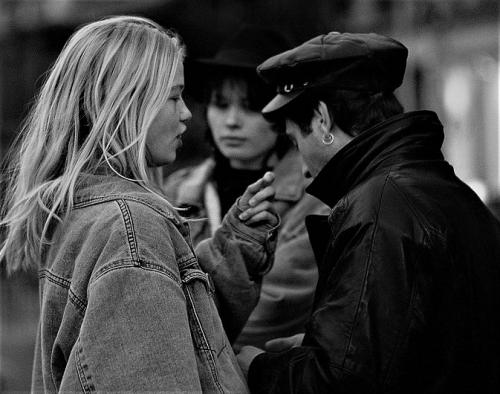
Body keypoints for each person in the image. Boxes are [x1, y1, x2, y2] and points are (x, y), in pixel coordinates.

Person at [0, 16, 280, 392]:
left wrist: (237, 247)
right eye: (173, 96)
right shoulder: (130, 228)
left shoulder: (88, 212)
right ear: (126, 103)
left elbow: (182, 341)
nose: (186, 113)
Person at [237, 32, 500, 393]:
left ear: (321, 118)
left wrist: (258, 367)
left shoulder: (378, 208)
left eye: (296, 142)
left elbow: (344, 381)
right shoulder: (436, 188)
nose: (302, 169)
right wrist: (314, 347)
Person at [164, 25, 328, 350]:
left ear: (284, 113)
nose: (232, 121)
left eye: (251, 106)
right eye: (220, 104)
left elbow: (269, 313)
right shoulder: (176, 191)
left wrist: (168, 335)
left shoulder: (317, 199)